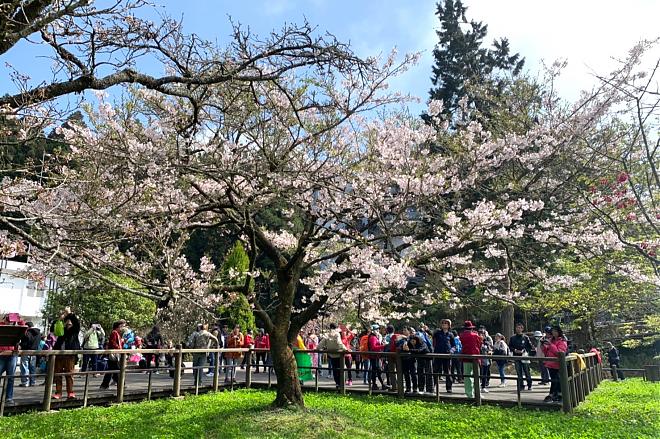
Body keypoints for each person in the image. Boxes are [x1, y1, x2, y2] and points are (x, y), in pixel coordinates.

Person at [53, 310, 81, 399]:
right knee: (58, 374)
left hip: (70, 355)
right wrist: (60, 319)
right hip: (59, 354)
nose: (68, 323)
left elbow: (76, 324)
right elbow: (54, 329)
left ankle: (70, 392)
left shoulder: (74, 331)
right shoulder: (62, 330)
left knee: (69, 374)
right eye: (67, 322)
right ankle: (58, 392)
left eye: (70, 322)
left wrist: (70, 314)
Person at [0, 313, 24, 405]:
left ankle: (9, 398)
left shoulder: (17, 329)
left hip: (12, 355)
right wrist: (5, 320)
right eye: (9, 320)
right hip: (1, 354)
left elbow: (25, 331)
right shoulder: (2, 326)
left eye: (12, 321)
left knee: (10, 377)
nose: (10, 322)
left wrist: (20, 320)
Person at [541, 325, 568, 402]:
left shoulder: (562, 341)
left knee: (557, 380)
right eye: (553, 331)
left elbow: (559, 352)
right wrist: (543, 346)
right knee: (553, 379)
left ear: (559, 332)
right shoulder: (551, 340)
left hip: (558, 364)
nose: (554, 333)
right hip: (550, 363)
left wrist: (550, 345)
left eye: (555, 331)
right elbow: (547, 352)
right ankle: (554, 394)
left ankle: (557, 394)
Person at [317, 323, 345, 389]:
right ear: (336, 327)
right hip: (339, 354)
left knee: (335, 370)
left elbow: (320, 344)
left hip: (331, 355)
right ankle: (341, 384)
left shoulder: (327, 334)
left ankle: (337, 384)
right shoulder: (337, 334)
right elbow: (339, 343)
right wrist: (345, 349)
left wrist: (318, 348)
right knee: (340, 370)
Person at [100, 319, 126, 390]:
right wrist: (118, 348)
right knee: (116, 369)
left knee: (111, 370)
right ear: (117, 327)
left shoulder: (117, 333)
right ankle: (121, 384)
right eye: (121, 326)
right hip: (114, 354)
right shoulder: (114, 333)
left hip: (115, 354)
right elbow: (113, 343)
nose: (121, 328)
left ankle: (105, 385)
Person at [460, 321, 482, 399]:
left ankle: (469, 394)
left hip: (466, 357)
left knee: (467, 376)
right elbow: (479, 344)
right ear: (471, 328)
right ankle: (478, 393)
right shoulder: (475, 335)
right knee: (477, 376)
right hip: (475, 357)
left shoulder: (461, 336)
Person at [432, 318, 455, 393]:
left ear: (449, 325)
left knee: (447, 371)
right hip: (438, 354)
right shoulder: (437, 333)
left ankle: (449, 387)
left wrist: (451, 351)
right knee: (436, 370)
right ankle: (433, 386)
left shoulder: (451, 334)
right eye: (443, 323)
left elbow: (454, 345)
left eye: (446, 323)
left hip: (447, 355)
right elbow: (431, 335)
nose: (444, 325)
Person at [509, 322, 533, 391]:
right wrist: (515, 350)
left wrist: (524, 350)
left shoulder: (525, 337)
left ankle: (529, 385)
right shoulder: (512, 338)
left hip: (524, 356)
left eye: (520, 328)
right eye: (517, 328)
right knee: (519, 372)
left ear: (522, 329)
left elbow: (530, 347)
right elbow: (510, 346)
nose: (518, 329)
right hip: (516, 357)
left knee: (526, 371)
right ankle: (521, 385)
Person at [19, 321, 41, 387]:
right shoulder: (39, 333)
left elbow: (25, 342)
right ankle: (33, 382)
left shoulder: (27, 333)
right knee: (32, 367)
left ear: (27, 326)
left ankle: (25, 382)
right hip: (34, 352)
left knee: (24, 367)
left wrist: (21, 345)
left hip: (26, 351)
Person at [367, 324, 388, 391]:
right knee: (377, 371)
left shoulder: (373, 337)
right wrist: (383, 346)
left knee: (376, 371)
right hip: (374, 357)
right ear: (374, 330)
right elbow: (373, 347)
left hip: (375, 356)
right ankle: (377, 385)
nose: (378, 330)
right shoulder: (373, 337)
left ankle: (378, 384)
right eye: (377, 329)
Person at [416, 324, 434, 394]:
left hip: (425, 353)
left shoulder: (427, 334)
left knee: (426, 372)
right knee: (424, 372)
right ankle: (425, 389)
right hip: (424, 354)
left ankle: (427, 389)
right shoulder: (420, 334)